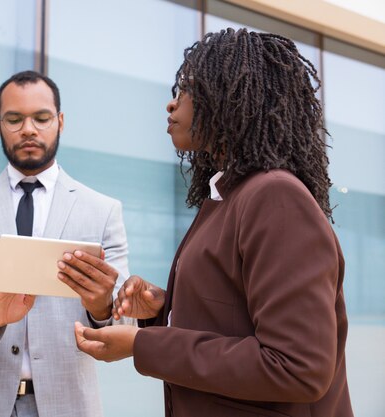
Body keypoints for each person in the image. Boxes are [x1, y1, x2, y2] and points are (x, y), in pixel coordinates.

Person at [71, 28, 354, 417]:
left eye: (186, 89)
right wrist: (162, 311)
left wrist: (142, 345)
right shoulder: (228, 197)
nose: (171, 105)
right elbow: (236, 324)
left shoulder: (276, 198)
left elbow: (296, 367)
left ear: (232, 99)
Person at [0, 70, 129, 417]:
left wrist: (102, 306)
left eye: (41, 118)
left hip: (68, 405)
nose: (28, 129)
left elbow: (123, 323)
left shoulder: (103, 211)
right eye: (14, 119)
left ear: (60, 121)